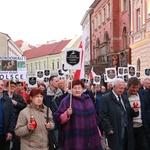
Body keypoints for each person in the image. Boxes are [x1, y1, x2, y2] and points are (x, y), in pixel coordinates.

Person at [54, 79, 102, 150]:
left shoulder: (88, 99)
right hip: (75, 136)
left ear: (83, 89)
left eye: (79, 88)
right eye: (74, 88)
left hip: (91, 135)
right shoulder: (66, 101)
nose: (77, 90)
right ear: (71, 89)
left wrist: (97, 129)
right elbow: (57, 117)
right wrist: (66, 114)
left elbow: (94, 117)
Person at [99, 78, 139, 150]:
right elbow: (103, 115)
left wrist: (135, 111)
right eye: (120, 88)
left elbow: (127, 110)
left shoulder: (124, 96)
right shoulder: (106, 98)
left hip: (127, 130)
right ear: (114, 87)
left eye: (123, 88)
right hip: (115, 130)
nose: (122, 90)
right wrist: (109, 128)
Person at [126, 77, 150, 150]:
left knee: (144, 146)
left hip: (141, 126)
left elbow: (147, 108)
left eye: (137, 88)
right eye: (133, 87)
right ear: (129, 86)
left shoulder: (144, 94)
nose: (135, 90)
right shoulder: (124, 96)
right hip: (129, 127)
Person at [5, 81, 27, 150]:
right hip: (6, 122)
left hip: (17, 121)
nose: (12, 88)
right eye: (10, 86)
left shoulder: (18, 97)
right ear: (6, 87)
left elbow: (24, 106)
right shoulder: (3, 96)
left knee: (16, 142)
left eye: (14, 87)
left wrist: (16, 103)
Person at [43, 75, 64, 146]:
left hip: (59, 122)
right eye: (56, 81)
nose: (58, 82)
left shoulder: (62, 93)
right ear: (51, 82)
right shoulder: (44, 93)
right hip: (47, 122)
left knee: (57, 143)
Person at [0, 79, 15, 150]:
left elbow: (12, 117)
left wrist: (10, 131)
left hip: (4, 134)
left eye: (2, 85)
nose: (0, 87)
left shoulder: (8, 100)